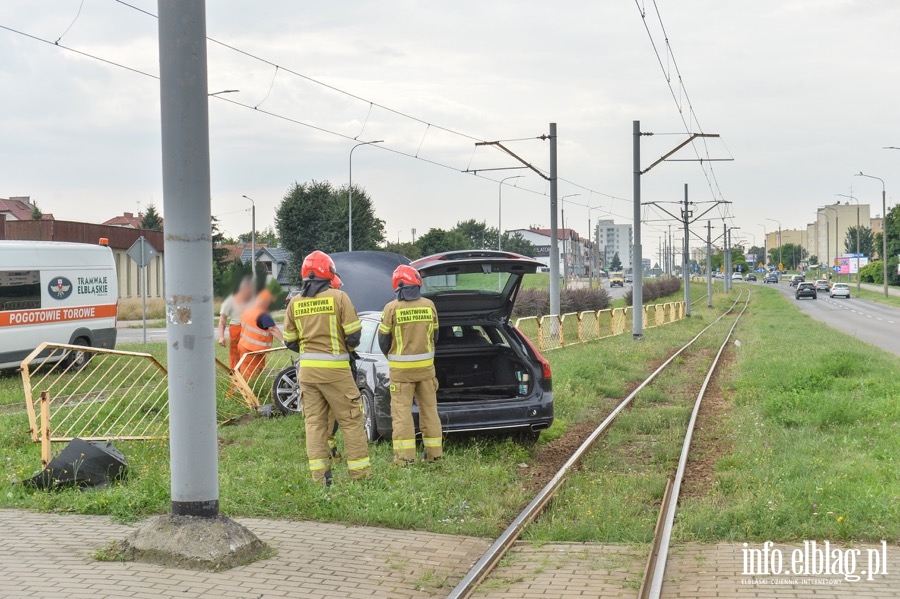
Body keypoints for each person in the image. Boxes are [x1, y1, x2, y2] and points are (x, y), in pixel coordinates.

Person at [283, 251, 370, 485]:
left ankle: (321, 478)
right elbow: (354, 336)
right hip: (336, 372)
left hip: (307, 373)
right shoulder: (339, 297)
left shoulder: (295, 303)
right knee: (351, 421)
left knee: (314, 423)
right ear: (328, 273)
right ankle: (360, 475)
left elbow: (289, 340)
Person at [378, 264, 442, 465]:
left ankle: (405, 459)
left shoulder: (391, 308)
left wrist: (394, 356)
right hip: (426, 371)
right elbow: (436, 336)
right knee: (430, 412)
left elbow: (383, 341)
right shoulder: (429, 305)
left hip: (401, 373)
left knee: (402, 415)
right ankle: (434, 456)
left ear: (398, 285)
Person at [236, 289, 283, 379]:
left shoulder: (248, 310)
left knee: (249, 372)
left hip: (245, 346)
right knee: (251, 376)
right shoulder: (263, 314)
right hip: (253, 350)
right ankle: (248, 392)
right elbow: (272, 328)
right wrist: (284, 341)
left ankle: (246, 391)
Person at [218, 277, 253, 369]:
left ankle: (248, 380)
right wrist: (221, 337)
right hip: (237, 328)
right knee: (235, 355)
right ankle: (236, 381)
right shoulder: (230, 300)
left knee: (249, 355)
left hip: (250, 329)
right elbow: (222, 319)